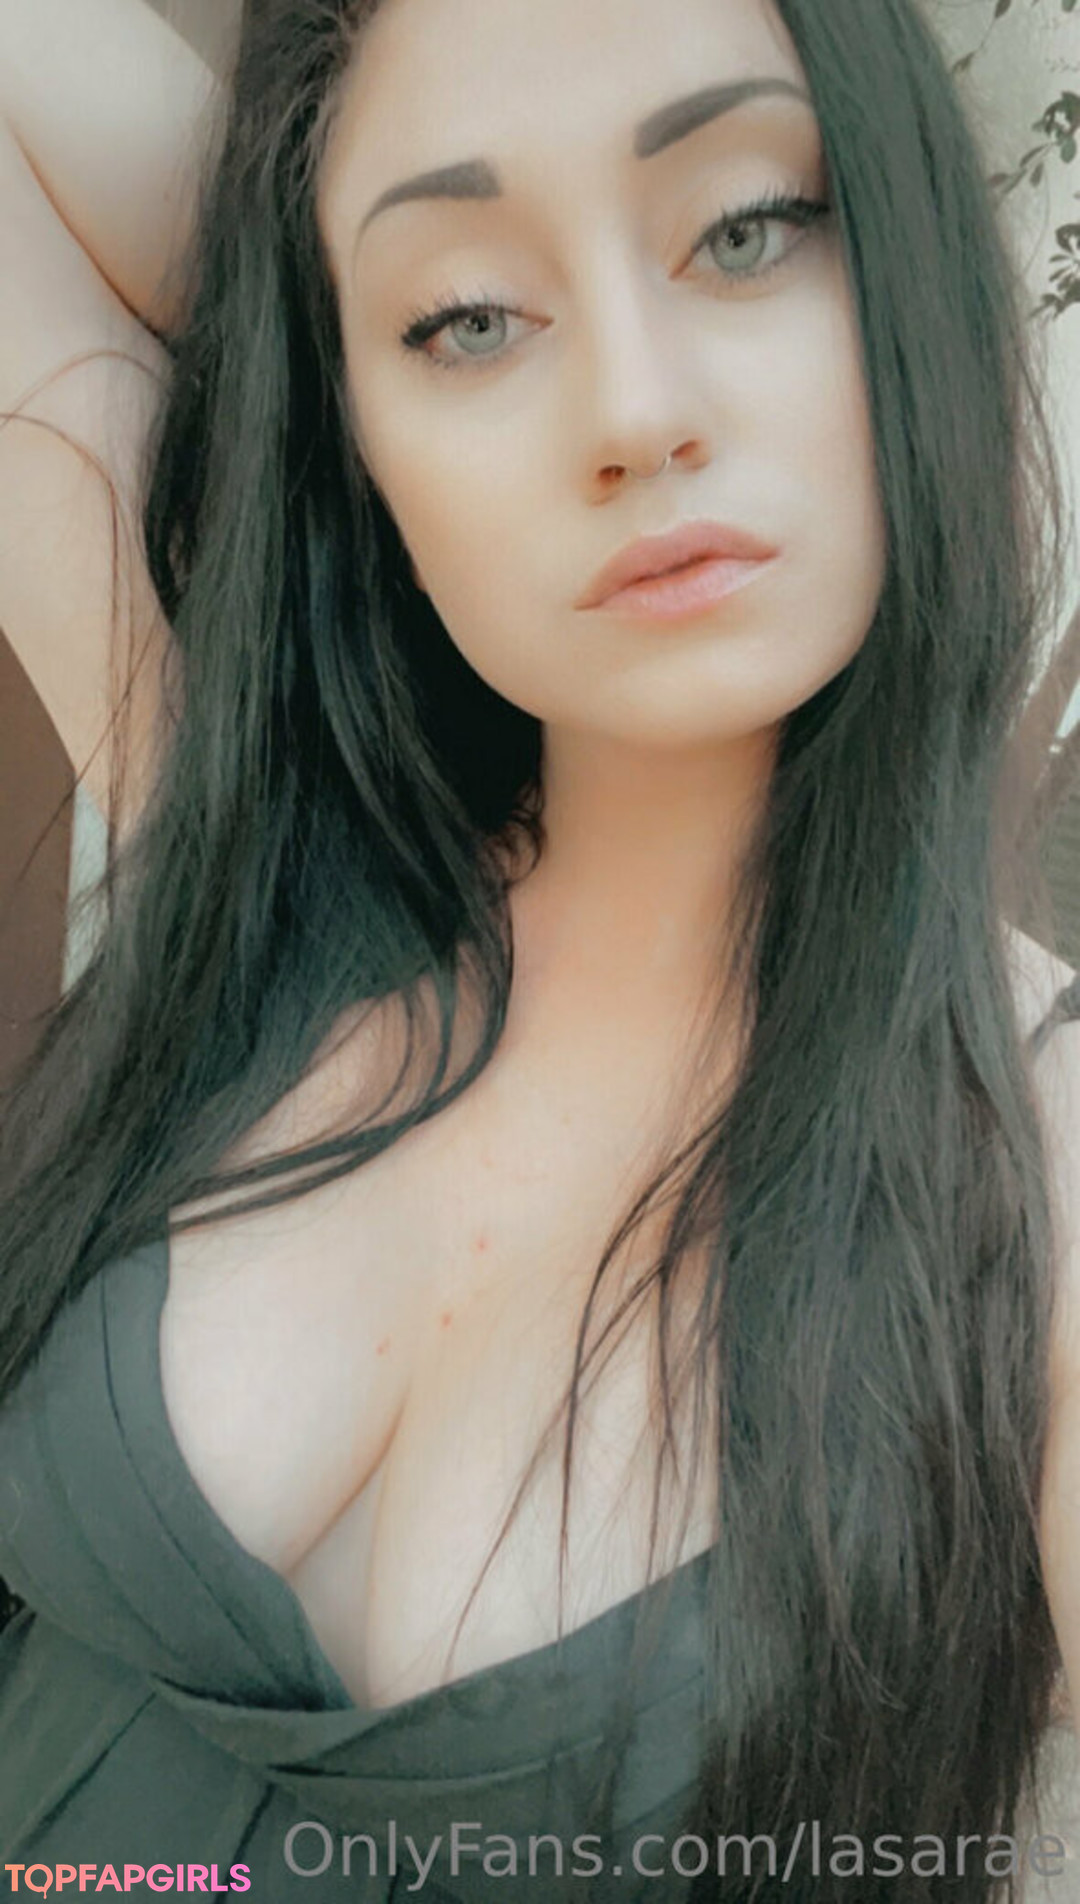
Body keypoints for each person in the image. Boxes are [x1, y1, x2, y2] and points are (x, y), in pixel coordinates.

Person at [0, 0, 1079, 1896]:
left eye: (744, 227)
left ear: (907, 255)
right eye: (468, 324)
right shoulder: (264, 860)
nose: (635, 412)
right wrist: (316, 251)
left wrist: (435, 261)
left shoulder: (1041, 1166)